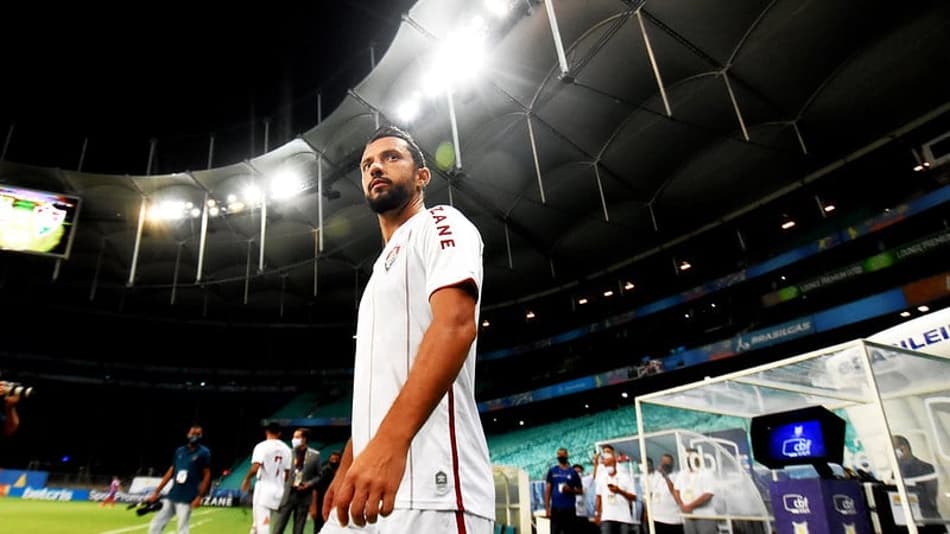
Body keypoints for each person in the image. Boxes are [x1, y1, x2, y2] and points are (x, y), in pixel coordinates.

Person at [319, 126, 494, 533]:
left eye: (391, 157)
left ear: (421, 177)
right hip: (369, 483)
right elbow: (379, 388)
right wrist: (350, 463)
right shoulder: (379, 272)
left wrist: (387, 445)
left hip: (433, 490)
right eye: (366, 165)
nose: (376, 166)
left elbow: (456, 326)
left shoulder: (439, 222)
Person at [146, 425, 212, 534]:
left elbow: (207, 475)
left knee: (182, 529)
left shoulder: (204, 452)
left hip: (187, 498)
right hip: (172, 495)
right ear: (187, 434)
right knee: (155, 524)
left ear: (201, 436)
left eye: (198, 434)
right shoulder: (179, 451)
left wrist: (200, 496)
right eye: (192, 433)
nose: (194, 436)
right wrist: (156, 492)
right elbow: (171, 471)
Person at [242, 422, 293, 534]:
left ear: (266, 432)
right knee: (257, 524)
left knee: (263, 525)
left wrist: (247, 479)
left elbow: (255, 467)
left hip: (264, 488)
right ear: (279, 433)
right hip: (279, 490)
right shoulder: (287, 449)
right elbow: (287, 474)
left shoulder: (262, 446)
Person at [272, 428, 321, 534]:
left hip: (304, 497)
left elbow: (319, 476)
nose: (293, 439)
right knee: (278, 527)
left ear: (304, 439)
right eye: (293, 437)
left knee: (299, 529)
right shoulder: (288, 454)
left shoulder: (315, 456)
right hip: (288, 495)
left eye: (297, 437)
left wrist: (308, 484)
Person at [892, 435, 941, 529]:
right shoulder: (897, 471)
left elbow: (931, 497)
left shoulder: (925, 468)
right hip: (909, 520)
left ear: (903, 449)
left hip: (927, 520)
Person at [594, 445, 636, 534]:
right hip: (607, 517)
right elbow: (598, 496)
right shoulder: (601, 476)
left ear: (615, 460)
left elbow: (633, 497)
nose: (606, 464)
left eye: (609, 462)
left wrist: (619, 491)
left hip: (623, 518)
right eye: (605, 462)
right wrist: (597, 513)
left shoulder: (624, 475)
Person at [674, 449, 715, 534]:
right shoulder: (682, 473)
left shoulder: (706, 472)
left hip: (704, 516)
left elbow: (708, 494)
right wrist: (682, 505)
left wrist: (690, 507)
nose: (689, 459)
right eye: (687, 457)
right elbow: (676, 490)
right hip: (688, 516)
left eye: (691, 456)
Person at [546, 447, 584, 534]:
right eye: (559, 455)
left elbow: (580, 491)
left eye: (563, 454)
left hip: (569, 509)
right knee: (554, 531)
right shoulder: (552, 471)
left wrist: (570, 490)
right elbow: (548, 490)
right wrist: (547, 508)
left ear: (567, 455)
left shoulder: (573, 472)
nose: (561, 456)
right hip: (556, 509)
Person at [646, 454, 684, 534]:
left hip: (672, 520)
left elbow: (674, 491)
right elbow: (651, 493)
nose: (664, 464)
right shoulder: (656, 476)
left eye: (667, 462)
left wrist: (665, 476)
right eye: (662, 461)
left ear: (672, 464)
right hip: (656, 518)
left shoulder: (677, 476)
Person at [311, 451, 341, 533]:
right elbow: (315, 489)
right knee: (319, 528)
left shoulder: (340, 473)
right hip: (321, 503)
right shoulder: (324, 471)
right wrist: (313, 507)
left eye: (336, 459)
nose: (334, 461)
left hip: (334, 504)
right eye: (332, 459)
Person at [574, 463, 596, 534]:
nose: (578, 474)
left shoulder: (585, 480)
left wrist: (595, 462)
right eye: (576, 472)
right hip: (571, 512)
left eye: (580, 472)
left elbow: (594, 475)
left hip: (582, 512)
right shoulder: (569, 482)